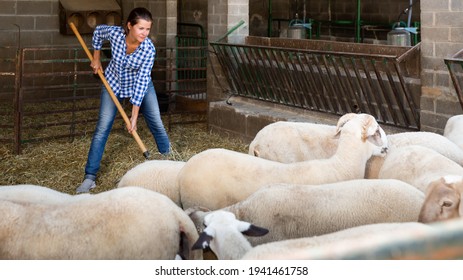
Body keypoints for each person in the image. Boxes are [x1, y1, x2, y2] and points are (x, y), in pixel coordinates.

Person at [76, 7, 170, 194]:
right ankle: (90, 177)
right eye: (141, 28)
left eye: (148, 29)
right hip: (113, 83)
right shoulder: (116, 34)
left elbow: (142, 82)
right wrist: (96, 58)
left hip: (141, 86)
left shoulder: (148, 49)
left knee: (157, 123)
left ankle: (169, 164)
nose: (145, 33)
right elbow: (97, 33)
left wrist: (134, 116)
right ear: (129, 26)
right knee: (102, 127)